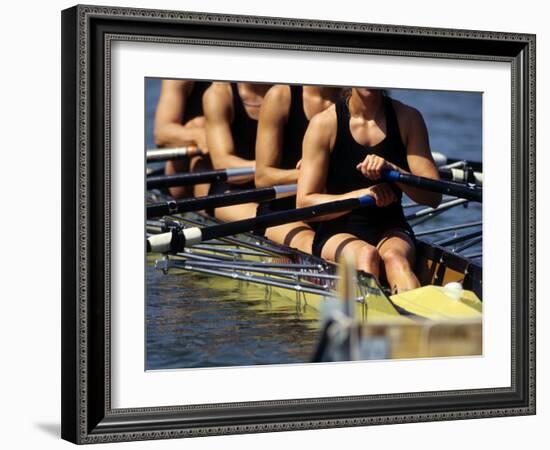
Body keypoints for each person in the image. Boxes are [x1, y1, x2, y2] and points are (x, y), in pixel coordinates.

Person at [297, 88, 441, 292]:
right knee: (367, 255)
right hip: (336, 230)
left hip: (390, 227)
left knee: (396, 260)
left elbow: (433, 197)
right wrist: (359, 195)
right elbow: (304, 202)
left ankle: (416, 319)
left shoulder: (408, 119)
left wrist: (395, 171)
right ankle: (374, 316)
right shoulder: (324, 124)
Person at [255, 84, 341, 253]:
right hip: (282, 209)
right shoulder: (280, 96)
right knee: (313, 244)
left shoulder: (355, 102)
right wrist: (313, 170)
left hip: (333, 209)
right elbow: (263, 178)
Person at [202, 82, 271, 221]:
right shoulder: (219, 95)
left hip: (282, 185)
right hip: (233, 190)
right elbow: (223, 162)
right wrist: (273, 171)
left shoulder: (291, 93)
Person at [154, 80, 210, 198]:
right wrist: (209, 138)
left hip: (244, 164)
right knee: (200, 124)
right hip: (190, 171)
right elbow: (161, 133)